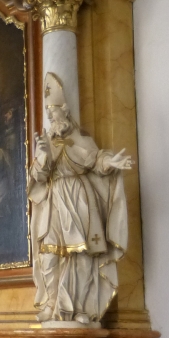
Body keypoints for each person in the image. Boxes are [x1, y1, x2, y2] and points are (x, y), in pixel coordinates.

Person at [28, 73, 132, 324]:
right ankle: (52, 304)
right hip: (54, 202)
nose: (51, 118)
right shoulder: (46, 143)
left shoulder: (81, 139)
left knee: (83, 255)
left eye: (54, 112)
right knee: (49, 255)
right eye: (48, 114)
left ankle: (79, 307)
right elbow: (38, 177)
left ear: (65, 111)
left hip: (80, 200)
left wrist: (111, 162)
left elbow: (96, 160)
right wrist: (43, 155)